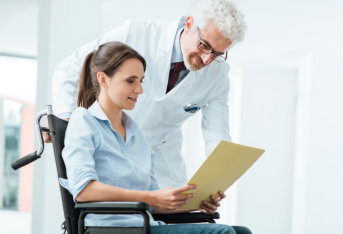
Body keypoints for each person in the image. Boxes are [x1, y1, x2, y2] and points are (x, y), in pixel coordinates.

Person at [51, 0, 246, 189]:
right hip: (112, 150)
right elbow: (70, 68)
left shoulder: (218, 75)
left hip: (163, 161)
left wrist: (215, 185)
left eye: (217, 54)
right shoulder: (136, 33)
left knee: (176, 214)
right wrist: (65, 123)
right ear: (189, 24)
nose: (206, 59)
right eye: (204, 45)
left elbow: (217, 135)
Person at [60, 41, 235, 234]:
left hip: (145, 225)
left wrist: (196, 203)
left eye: (141, 81)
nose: (139, 90)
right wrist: (151, 197)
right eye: (130, 81)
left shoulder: (136, 133)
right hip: (112, 229)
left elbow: (154, 202)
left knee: (240, 231)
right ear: (103, 79)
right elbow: (83, 190)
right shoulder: (84, 121)